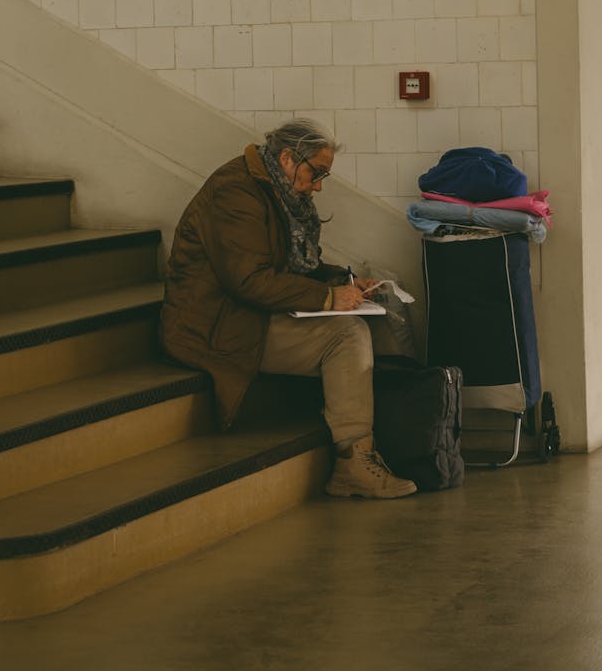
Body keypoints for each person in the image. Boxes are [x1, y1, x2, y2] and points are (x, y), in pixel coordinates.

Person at [159, 119, 417, 500]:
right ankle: (353, 462)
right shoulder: (235, 192)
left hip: (245, 313)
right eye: (316, 173)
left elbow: (294, 267)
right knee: (346, 335)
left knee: (375, 316)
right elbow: (248, 280)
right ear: (286, 158)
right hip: (215, 325)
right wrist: (327, 299)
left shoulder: (274, 189)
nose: (318, 186)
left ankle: (380, 448)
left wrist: (343, 282)